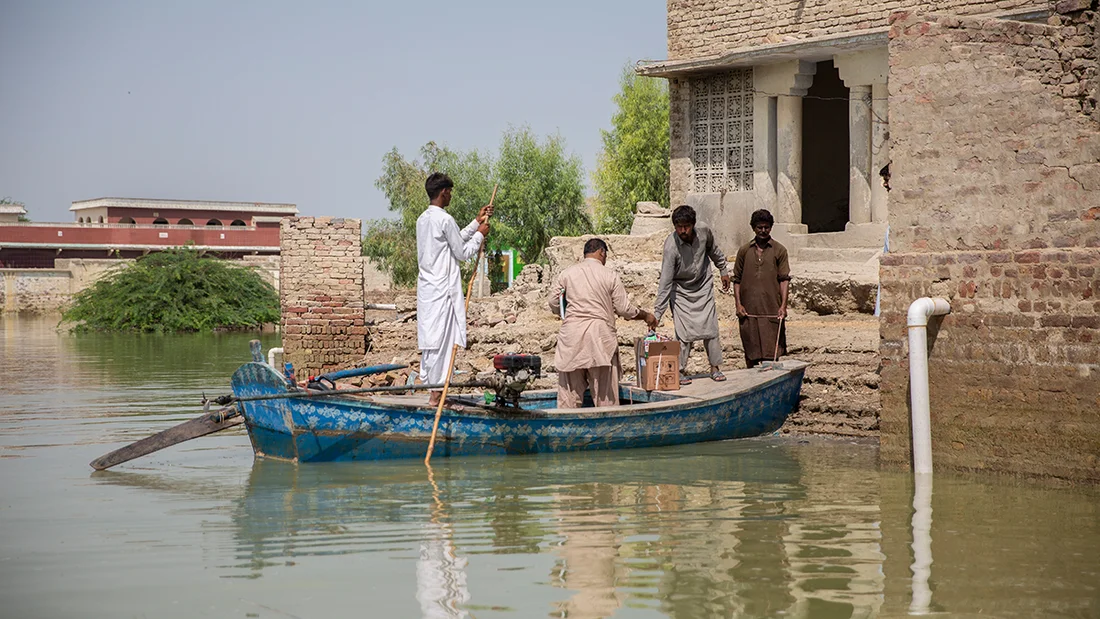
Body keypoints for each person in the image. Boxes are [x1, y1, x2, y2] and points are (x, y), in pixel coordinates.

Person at [549, 238, 658, 408]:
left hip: (571, 338)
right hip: (599, 339)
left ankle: (568, 430)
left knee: (569, 398)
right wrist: (645, 315)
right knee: (605, 397)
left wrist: (565, 315)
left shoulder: (567, 274)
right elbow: (624, 309)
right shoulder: (610, 275)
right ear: (602, 252)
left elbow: (553, 302)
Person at [416, 172, 492, 406]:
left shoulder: (423, 219)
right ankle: (437, 395)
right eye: (450, 192)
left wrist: (475, 223)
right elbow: (461, 252)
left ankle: (435, 392)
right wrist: (480, 235)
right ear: (444, 192)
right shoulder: (445, 219)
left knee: (431, 341)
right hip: (443, 291)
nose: (451, 197)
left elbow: (454, 241)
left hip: (428, 290)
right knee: (442, 341)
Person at [653, 205, 730, 385]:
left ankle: (715, 367)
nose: (683, 230)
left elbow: (714, 251)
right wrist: (657, 313)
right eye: (679, 227)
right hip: (680, 290)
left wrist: (723, 270)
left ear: (693, 225)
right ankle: (679, 370)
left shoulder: (703, 231)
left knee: (711, 328)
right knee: (683, 333)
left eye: (686, 226)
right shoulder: (670, 246)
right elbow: (665, 281)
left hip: (703, 285)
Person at [732, 209, 791, 368]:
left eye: (766, 227)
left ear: (771, 227)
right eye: (759, 227)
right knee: (750, 351)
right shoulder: (744, 251)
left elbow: (784, 280)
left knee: (772, 353)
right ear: (753, 228)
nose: (763, 231)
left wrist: (783, 306)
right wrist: (738, 305)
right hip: (748, 311)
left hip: (771, 309)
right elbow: (736, 280)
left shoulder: (780, 250)